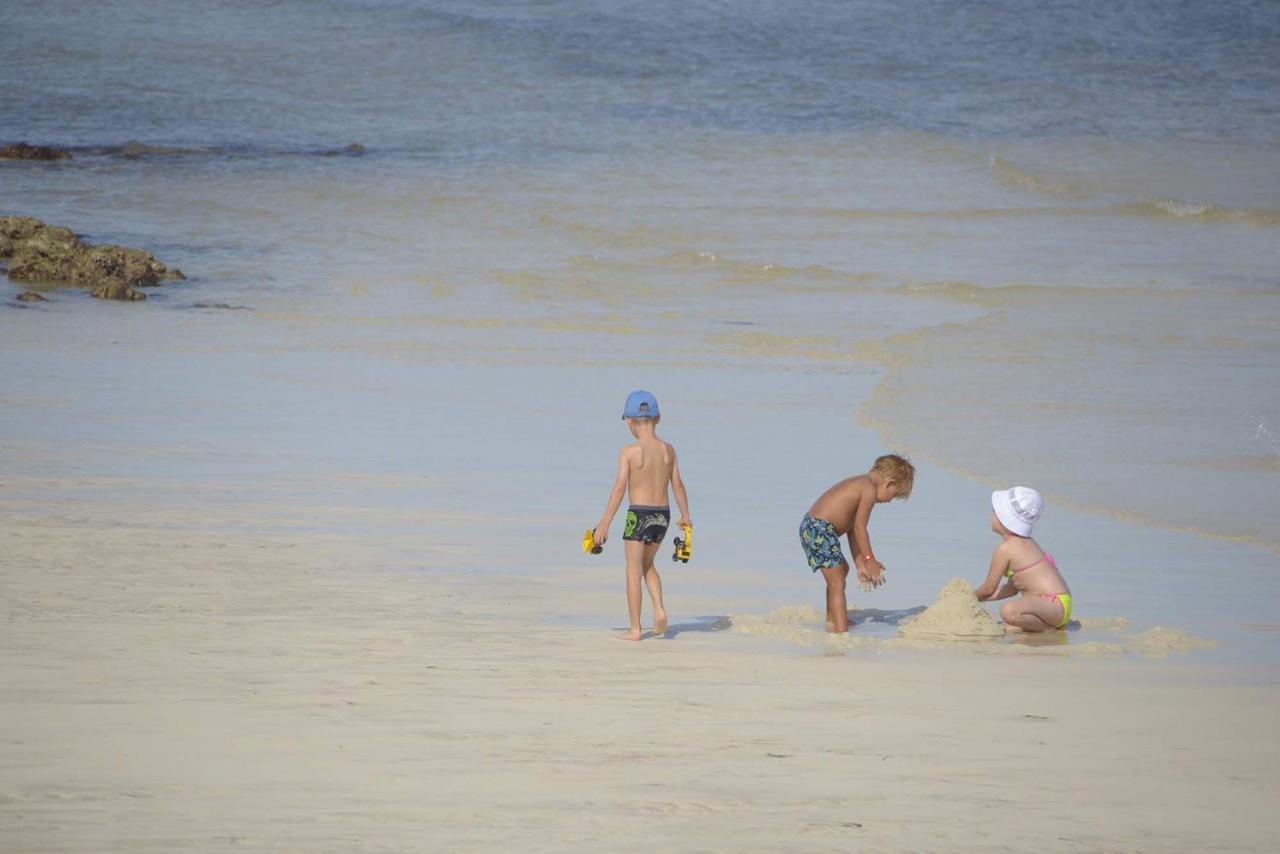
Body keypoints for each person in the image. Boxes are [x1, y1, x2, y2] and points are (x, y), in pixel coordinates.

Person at [591, 390, 691, 641]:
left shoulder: (629, 452)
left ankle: (636, 629)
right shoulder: (669, 450)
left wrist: (604, 523)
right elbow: (677, 485)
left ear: (629, 421)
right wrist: (686, 515)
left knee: (633, 570)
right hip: (663, 516)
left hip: (639, 514)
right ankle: (659, 608)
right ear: (658, 418)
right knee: (648, 564)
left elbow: (618, 489)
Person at [799, 454, 914, 633]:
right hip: (819, 528)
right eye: (894, 495)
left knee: (841, 570)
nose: (890, 500)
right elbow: (861, 528)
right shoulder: (867, 489)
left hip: (815, 527)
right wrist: (869, 559)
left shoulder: (862, 484)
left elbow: (853, 531)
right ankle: (840, 629)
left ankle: (834, 618)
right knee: (837, 581)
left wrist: (860, 564)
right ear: (889, 483)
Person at [974, 486, 1072, 632]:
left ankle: (1047, 629)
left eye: (994, 511)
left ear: (1002, 518)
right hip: (1057, 606)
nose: (991, 514)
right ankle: (1048, 626)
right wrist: (977, 599)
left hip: (1052, 604)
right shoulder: (1026, 544)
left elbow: (988, 589)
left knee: (1008, 611)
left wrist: (967, 599)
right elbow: (1010, 590)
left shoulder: (1006, 549)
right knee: (1007, 628)